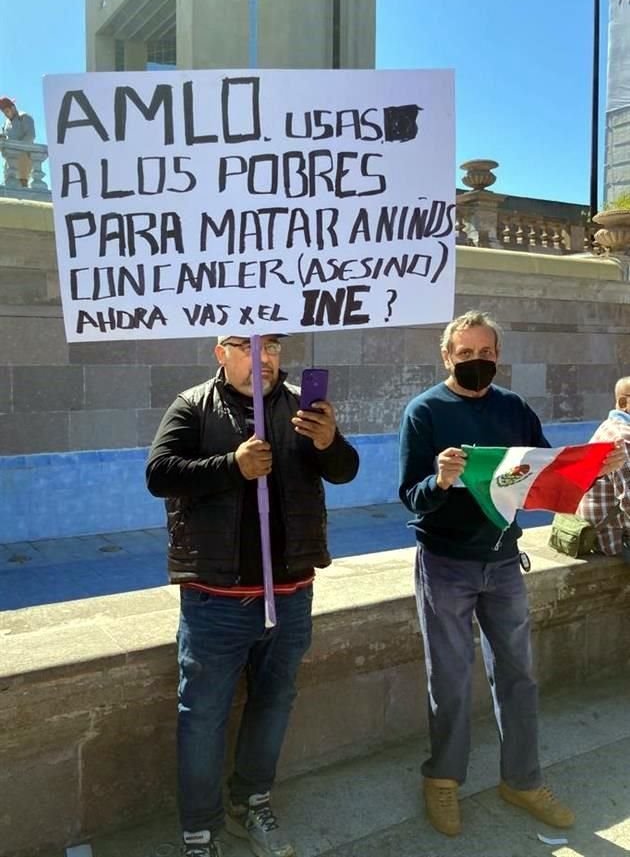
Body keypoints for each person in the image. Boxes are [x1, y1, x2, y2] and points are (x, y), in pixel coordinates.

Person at [398, 310, 623, 838]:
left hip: (502, 563)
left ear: (498, 356)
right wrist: (440, 480)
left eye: (487, 353)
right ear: (447, 357)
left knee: (519, 676)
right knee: (450, 681)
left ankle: (522, 780)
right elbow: (410, 497)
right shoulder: (424, 411)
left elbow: (547, 470)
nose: (478, 362)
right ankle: (444, 779)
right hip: (445, 564)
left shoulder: (514, 408)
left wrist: (596, 467)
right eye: (467, 354)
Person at [146, 334, 359, 857]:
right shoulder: (192, 406)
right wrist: (231, 466)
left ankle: (253, 802)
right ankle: (200, 832)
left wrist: (330, 441)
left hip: (289, 594)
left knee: (274, 704)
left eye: (272, 346)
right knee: (202, 716)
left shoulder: (300, 409)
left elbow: (345, 471)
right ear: (221, 353)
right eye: (246, 346)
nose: (262, 357)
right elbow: (159, 474)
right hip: (215, 599)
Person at [576, 377, 630, 559]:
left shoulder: (611, 425)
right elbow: (628, 498)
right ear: (624, 403)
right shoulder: (623, 436)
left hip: (600, 526)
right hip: (612, 536)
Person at [0, 97, 36, 187]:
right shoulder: (6, 123)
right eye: (3, 112)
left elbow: (30, 136)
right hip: (9, 159)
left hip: (23, 156)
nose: (6, 114)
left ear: (13, 108)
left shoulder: (24, 117)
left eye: (7, 111)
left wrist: (16, 148)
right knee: (9, 185)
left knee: (22, 184)